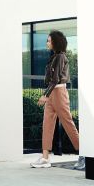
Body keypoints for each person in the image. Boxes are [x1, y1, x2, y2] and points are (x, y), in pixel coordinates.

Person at [30, 30, 84, 169]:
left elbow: (56, 79)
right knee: (47, 124)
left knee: (67, 123)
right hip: (52, 93)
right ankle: (45, 158)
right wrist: (47, 94)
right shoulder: (54, 57)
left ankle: (84, 154)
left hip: (58, 92)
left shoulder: (60, 57)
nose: (47, 43)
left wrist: (45, 95)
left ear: (55, 42)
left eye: (49, 40)